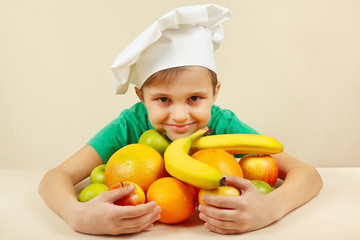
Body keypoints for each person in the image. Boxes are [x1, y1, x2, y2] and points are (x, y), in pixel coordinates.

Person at [38, 4, 323, 235]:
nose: (179, 115)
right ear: (141, 97)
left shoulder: (222, 126)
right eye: (163, 99)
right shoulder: (130, 126)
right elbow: (55, 178)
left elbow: (308, 175)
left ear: (215, 93)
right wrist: (77, 215)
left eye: (195, 98)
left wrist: (271, 208)